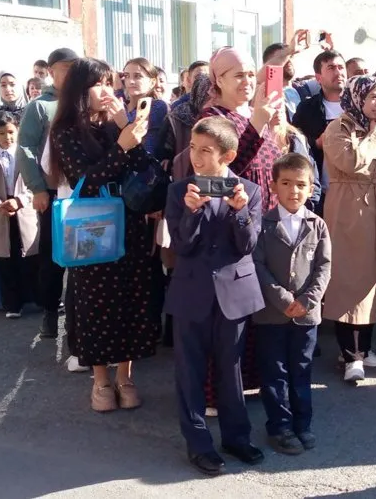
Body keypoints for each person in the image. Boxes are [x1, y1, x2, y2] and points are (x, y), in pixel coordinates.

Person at [47, 57, 160, 412]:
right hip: (92, 228)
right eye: (98, 84)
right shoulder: (65, 131)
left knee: (131, 302)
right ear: (80, 90)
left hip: (131, 227)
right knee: (97, 306)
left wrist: (127, 129)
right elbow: (86, 181)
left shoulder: (116, 123)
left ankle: (125, 377)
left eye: (109, 82)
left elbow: (146, 170)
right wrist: (122, 146)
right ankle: (100, 380)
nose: (107, 90)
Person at [164, 116, 265, 475]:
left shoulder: (250, 191)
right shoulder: (179, 191)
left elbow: (248, 245)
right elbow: (181, 245)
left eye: (206, 150)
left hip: (233, 293)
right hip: (191, 292)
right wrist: (192, 211)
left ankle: (237, 437)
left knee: (230, 369)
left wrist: (240, 213)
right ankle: (198, 443)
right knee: (189, 372)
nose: (196, 156)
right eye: (193, 147)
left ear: (228, 155)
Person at [252, 152, 331, 455]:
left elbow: (324, 267)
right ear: (273, 186)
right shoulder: (263, 225)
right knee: (275, 373)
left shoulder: (317, 225)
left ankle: (302, 424)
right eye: (285, 183)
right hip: (271, 315)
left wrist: (308, 300)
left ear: (311, 188)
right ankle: (280, 427)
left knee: (301, 370)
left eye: (300, 184)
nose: (293, 191)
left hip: (306, 317)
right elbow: (258, 266)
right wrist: (284, 299)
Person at [321, 75, 376, 381]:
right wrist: (375, 134)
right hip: (347, 208)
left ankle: (363, 348)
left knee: (371, 280)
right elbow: (351, 161)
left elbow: (375, 167)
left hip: (374, 205)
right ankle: (349, 353)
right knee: (348, 280)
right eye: (373, 97)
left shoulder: (374, 130)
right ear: (357, 98)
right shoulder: (337, 128)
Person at [16, 47, 78, 339]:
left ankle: (78, 315)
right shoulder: (40, 107)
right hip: (52, 194)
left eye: (75, 67)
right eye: (65, 68)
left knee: (82, 254)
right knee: (53, 256)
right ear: (51, 72)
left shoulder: (84, 101)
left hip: (82, 192)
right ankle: (51, 312)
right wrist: (37, 188)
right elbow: (25, 149)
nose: (71, 72)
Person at [199, 47, 284, 212]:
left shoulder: (257, 113)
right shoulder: (211, 117)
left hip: (269, 218)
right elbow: (214, 178)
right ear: (220, 81)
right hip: (235, 218)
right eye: (239, 75)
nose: (247, 81)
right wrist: (258, 123)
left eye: (251, 75)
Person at [0, 111, 39, 319]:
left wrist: (20, 200)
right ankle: (13, 303)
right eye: (1, 133)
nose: (7, 137)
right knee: (6, 259)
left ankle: (39, 299)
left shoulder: (27, 153)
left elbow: (35, 183)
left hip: (24, 211)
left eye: (11, 132)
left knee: (31, 256)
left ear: (18, 130)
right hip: (0, 213)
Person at [292, 50, 347, 213]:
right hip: (322, 192)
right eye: (331, 68)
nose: (338, 72)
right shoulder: (307, 108)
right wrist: (316, 143)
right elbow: (294, 141)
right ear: (318, 77)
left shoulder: (360, 107)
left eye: (341, 67)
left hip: (356, 191)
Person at [122, 57, 169, 155]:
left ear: (152, 82)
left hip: (146, 161)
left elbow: (135, 130)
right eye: (126, 76)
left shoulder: (157, 106)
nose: (131, 81)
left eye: (137, 76)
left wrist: (118, 91)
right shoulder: (122, 105)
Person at [262, 30, 310, 122]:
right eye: (283, 58)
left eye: (290, 56)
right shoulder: (265, 95)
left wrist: (329, 51)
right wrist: (289, 51)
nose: (288, 60)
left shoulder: (304, 87)